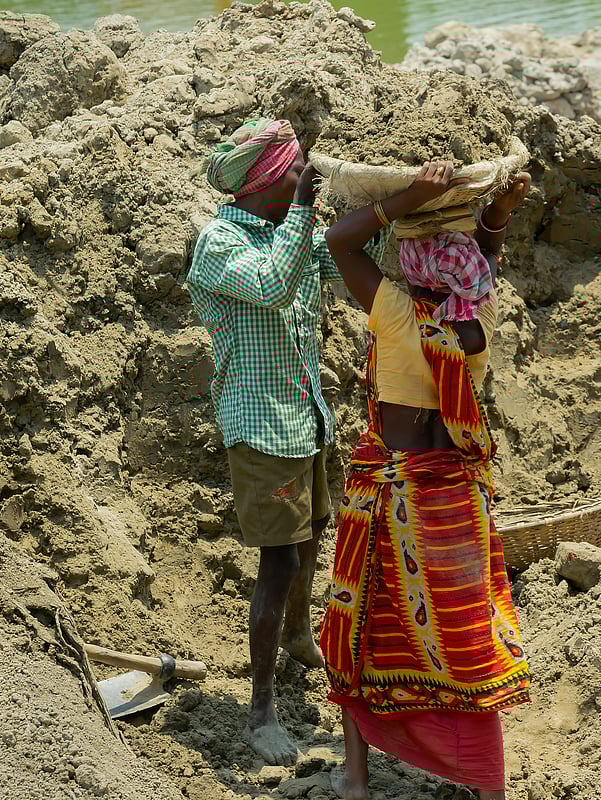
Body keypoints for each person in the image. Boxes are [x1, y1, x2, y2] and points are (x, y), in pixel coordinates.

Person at [319, 161, 533, 800]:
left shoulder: (393, 311)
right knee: (468, 636)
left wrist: (407, 197)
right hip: (458, 502)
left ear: (410, 263)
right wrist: (497, 213)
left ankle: (356, 778)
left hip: (395, 496)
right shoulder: (475, 321)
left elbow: (339, 241)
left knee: (361, 629)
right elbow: (481, 263)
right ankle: (486, 785)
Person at [187, 118, 387, 765]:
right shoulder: (220, 243)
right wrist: (305, 210)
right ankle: (261, 712)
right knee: (279, 562)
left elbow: (345, 257)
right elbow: (273, 284)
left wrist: (381, 210)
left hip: (305, 420)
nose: (300, 189)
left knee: (312, 536)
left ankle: (301, 637)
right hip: (259, 427)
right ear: (265, 186)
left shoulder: (285, 232)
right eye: (291, 180)